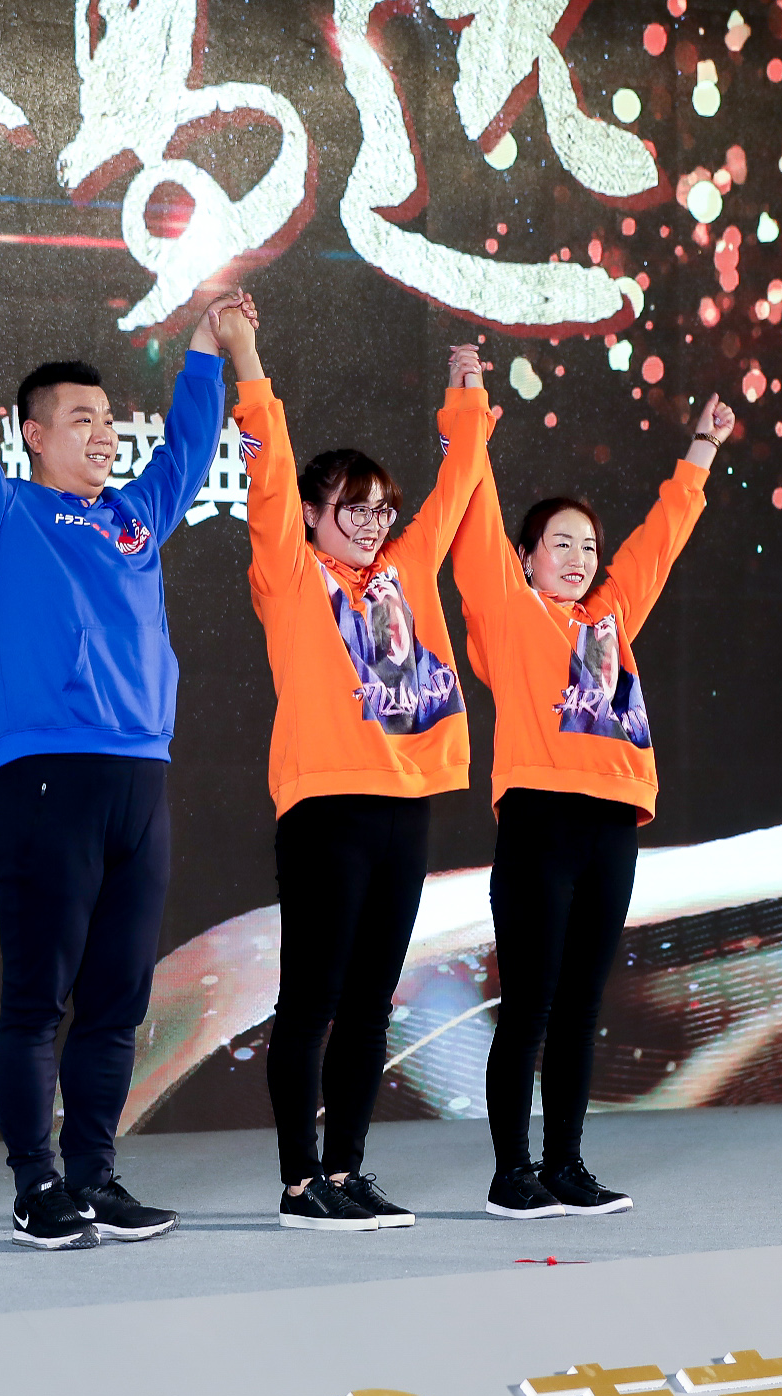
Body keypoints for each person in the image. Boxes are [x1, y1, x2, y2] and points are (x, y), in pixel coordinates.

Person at [0, 235, 234, 1250]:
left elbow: (185, 450)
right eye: (81, 420)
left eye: (107, 419)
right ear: (32, 434)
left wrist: (203, 350)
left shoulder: (134, 519)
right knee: (37, 999)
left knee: (115, 1003)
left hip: (140, 781)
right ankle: (36, 1185)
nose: (104, 435)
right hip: (46, 777)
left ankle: (95, 1175)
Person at [218, 308, 495, 1231]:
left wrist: (466, 390)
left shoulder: (404, 570)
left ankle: (347, 1169)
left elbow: (457, 485)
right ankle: (301, 1184)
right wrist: (248, 357)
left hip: (406, 806)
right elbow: (268, 465)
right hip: (326, 808)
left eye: (381, 509)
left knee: (372, 1003)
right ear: (312, 513)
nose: (374, 524)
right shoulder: (290, 574)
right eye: (354, 507)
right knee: (312, 1001)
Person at [454, 382, 737, 1219]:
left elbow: (658, 542)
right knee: (530, 1007)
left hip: (613, 826)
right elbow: (475, 522)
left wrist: (702, 449)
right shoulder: (510, 613)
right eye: (560, 544)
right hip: (541, 822)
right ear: (526, 557)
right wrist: (467, 405)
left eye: (587, 545)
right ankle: (512, 1173)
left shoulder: (607, 621)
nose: (578, 557)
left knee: (580, 1008)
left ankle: (566, 1164)